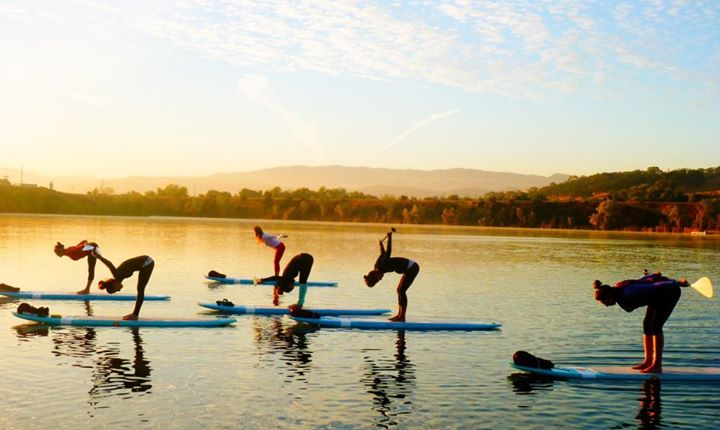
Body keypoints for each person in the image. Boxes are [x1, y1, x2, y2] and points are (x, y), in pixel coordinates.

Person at [593, 272, 688, 373]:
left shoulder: (628, 292)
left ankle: (657, 365)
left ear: (609, 295)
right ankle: (648, 361)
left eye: (605, 302)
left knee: (655, 325)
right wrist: (650, 275)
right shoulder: (619, 291)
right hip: (657, 297)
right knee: (647, 325)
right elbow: (641, 281)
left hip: (669, 292)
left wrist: (677, 283)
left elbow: (655, 286)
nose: (606, 305)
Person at [364, 229, 419, 322]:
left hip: (412, 268)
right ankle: (400, 315)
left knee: (401, 290)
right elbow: (383, 253)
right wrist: (381, 245)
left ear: (376, 275)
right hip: (407, 269)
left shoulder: (382, 265)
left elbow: (388, 252)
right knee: (400, 290)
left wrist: (389, 237)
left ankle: (402, 317)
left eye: (378, 280)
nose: (380, 280)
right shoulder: (377, 266)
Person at [93, 250, 155, 320]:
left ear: (114, 284)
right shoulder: (119, 277)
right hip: (145, 263)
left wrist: (98, 256)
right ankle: (135, 314)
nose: (119, 290)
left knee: (140, 289)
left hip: (147, 263)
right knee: (140, 289)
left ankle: (135, 315)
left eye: (116, 290)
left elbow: (109, 265)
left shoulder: (117, 276)